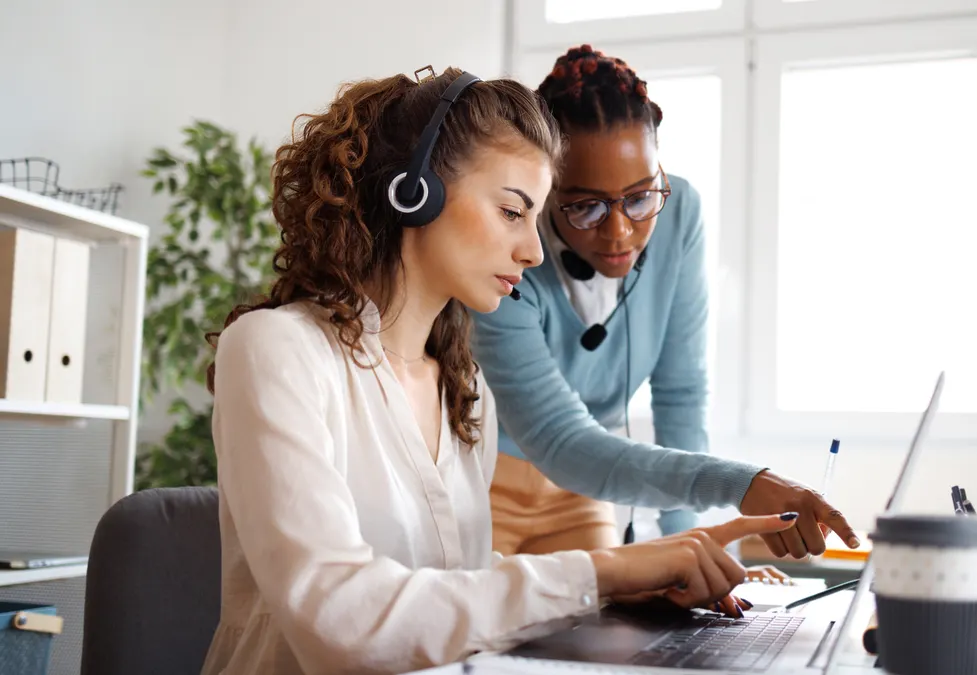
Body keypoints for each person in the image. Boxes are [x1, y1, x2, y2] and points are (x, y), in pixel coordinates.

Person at [198, 67, 803, 675]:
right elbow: (341, 620)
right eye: (513, 212)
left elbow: (455, 592)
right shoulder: (276, 349)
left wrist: (611, 589)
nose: (535, 252)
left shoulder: (466, 394)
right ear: (417, 192)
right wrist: (602, 570)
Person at [472, 45, 858, 564]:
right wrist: (741, 484)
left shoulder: (681, 216)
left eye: (639, 197)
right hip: (484, 474)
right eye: (585, 206)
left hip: (579, 490)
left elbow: (680, 393)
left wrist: (699, 543)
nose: (620, 233)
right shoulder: (509, 244)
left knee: (604, 633)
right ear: (546, 191)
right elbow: (558, 439)